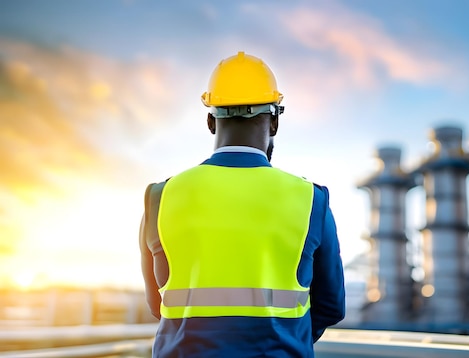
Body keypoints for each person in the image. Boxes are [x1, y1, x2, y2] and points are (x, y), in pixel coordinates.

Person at [138, 51, 346, 357]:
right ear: (274, 123)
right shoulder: (311, 199)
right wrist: (287, 338)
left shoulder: (160, 197)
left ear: (210, 121)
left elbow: (159, 305)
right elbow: (331, 306)